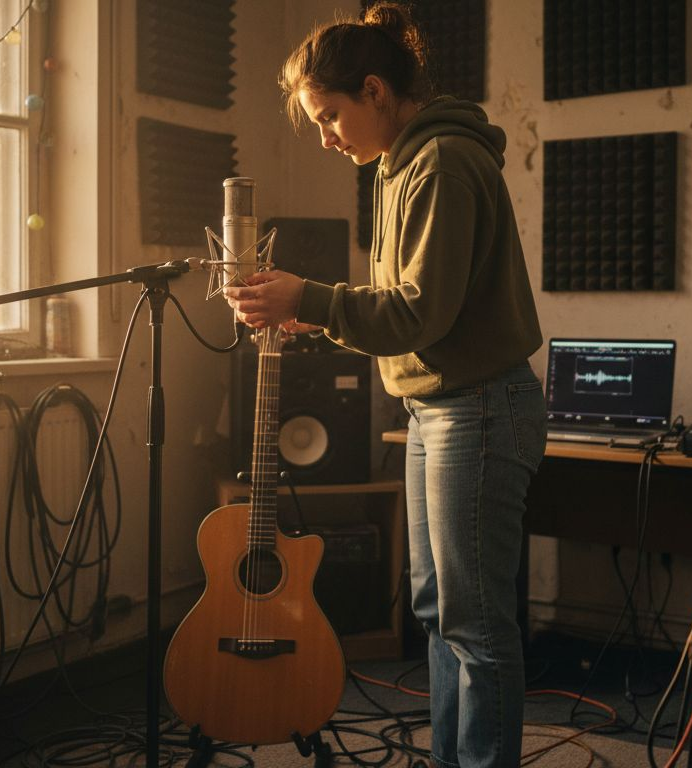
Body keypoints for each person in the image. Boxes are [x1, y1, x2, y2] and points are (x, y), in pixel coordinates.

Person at [223, 4, 546, 767]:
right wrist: (313, 311)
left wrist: (312, 299)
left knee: (475, 625)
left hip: (477, 410)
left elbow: (418, 312)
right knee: (437, 613)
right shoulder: (400, 166)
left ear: (374, 91)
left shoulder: (442, 163)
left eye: (330, 116)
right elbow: (406, 309)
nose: (327, 137)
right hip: (439, 411)